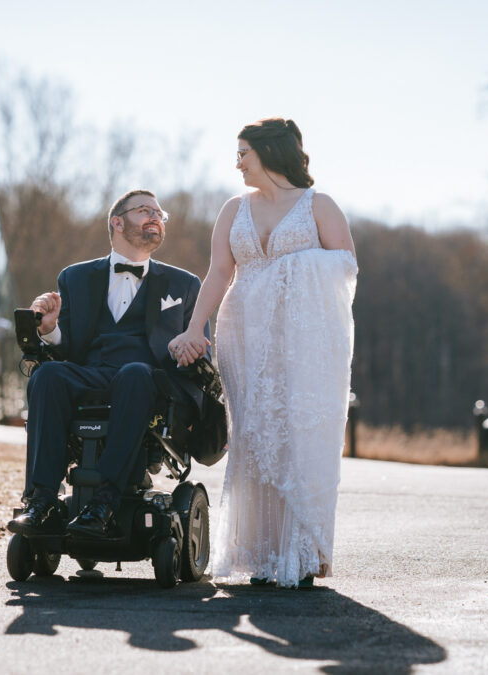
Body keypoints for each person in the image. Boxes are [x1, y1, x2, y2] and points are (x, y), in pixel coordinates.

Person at [168, 118, 357, 589]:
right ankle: (258, 552)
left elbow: (346, 266)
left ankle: (302, 552)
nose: (237, 163)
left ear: (269, 153)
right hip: (244, 332)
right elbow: (218, 274)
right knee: (252, 433)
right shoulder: (233, 209)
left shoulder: (320, 205)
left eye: (243, 153)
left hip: (303, 339)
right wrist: (194, 327)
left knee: (296, 432)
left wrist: (291, 271)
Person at [8, 189, 210, 539]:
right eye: (145, 210)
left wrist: (189, 351)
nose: (156, 218)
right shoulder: (75, 277)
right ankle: (41, 502)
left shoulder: (185, 284)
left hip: (150, 383)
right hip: (92, 373)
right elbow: (67, 347)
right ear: (117, 222)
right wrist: (51, 329)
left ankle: (105, 501)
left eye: (161, 214)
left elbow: (201, 351)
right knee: (47, 375)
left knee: (135, 374)